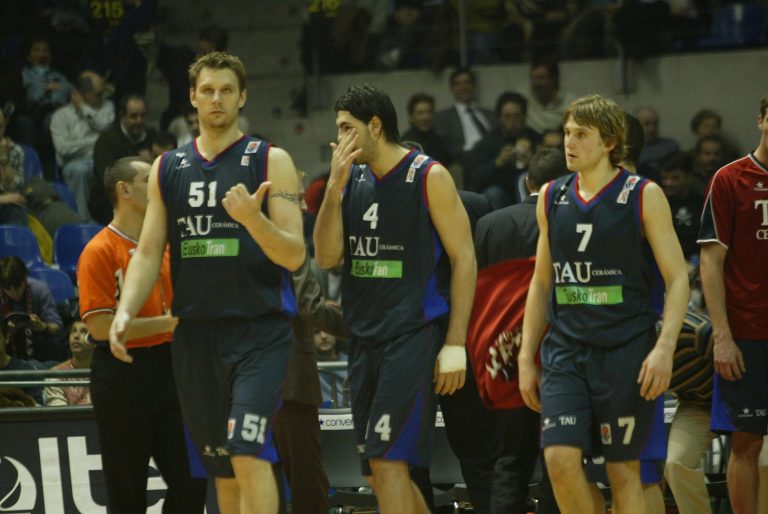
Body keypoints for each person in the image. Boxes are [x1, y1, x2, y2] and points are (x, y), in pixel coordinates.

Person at [109, 52, 305, 514]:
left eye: (227, 90)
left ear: (242, 97)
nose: (217, 99)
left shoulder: (270, 159)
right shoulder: (167, 167)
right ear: (192, 98)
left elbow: (295, 256)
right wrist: (125, 310)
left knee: (247, 453)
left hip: (259, 332)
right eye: (208, 90)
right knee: (222, 473)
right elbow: (150, 250)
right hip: (195, 335)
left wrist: (253, 223)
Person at [518, 94, 689, 514]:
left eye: (581, 134)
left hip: (625, 351)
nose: (569, 143)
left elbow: (678, 278)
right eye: (567, 133)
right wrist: (525, 356)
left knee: (623, 471)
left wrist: (664, 347)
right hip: (565, 352)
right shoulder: (551, 196)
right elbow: (542, 283)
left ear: (609, 142)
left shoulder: (642, 195)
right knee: (559, 460)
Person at [313, 83, 477, 514]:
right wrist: (333, 187)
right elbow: (328, 256)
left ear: (375, 125)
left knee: (388, 462)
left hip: (412, 335)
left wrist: (455, 342)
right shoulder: (350, 180)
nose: (340, 138)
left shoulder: (429, 175)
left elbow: (465, 259)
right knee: (376, 471)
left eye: (347, 128)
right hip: (363, 339)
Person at [78, 155, 206, 512]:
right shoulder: (99, 250)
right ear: (124, 190)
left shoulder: (167, 246)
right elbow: (101, 327)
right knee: (127, 491)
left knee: (193, 483)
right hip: (122, 374)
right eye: (149, 178)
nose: (158, 185)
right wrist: (165, 324)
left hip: (172, 371)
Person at [473, 148, 568, 514]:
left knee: (511, 460)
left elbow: (481, 295)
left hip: (507, 357)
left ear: (526, 183)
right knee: (560, 459)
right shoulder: (571, 219)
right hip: (562, 352)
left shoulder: (490, 224)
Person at [698, 96, 768, 514]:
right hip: (747, 334)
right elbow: (711, 260)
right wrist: (722, 337)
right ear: (761, 119)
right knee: (747, 441)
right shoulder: (729, 178)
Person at [50, 70, 114, 218]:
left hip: (101, 160)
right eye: (98, 94)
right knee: (80, 169)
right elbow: (63, 149)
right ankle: (81, 221)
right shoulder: (60, 116)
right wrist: (97, 140)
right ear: (81, 94)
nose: (102, 97)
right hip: (75, 164)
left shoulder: (107, 106)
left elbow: (105, 127)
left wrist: (85, 110)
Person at [463, 91, 540, 208]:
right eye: (507, 117)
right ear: (499, 118)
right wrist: (498, 163)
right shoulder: (488, 142)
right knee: (493, 193)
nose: (512, 122)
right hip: (501, 195)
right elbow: (473, 180)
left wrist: (532, 161)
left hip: (530, 193)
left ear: (524, 117)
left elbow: (552, 176)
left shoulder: (535, 138)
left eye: (516, 116)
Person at [91, 94, 158, 225]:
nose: (139, 121)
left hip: (147, 197)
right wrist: (140, 162)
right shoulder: (106, 141)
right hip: (110, 201)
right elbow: (108, 179)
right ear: (122, 115)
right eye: (133, 116)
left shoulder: (153, 136)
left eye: (143, 116)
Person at [0, 256, 64, 366]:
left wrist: (44, 327)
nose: (14, 293)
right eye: (8, 289)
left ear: (25, 278)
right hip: (7, 350)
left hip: (38, 345)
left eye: (17, 287)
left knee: (54, 341)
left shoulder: (39, 290)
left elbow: (57, 327)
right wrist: (5, 331)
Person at [435, 68, 494, 163]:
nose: (463, 88)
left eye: (467, 83)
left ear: (474, 86)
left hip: (495, 160)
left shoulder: (490, 114)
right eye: (458, 84)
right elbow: (448, 149)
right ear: (452, 88)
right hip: (466, 163)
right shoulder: (443, 118)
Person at [659, 152, 702, 262]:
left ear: (689, 177)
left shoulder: (702, 203)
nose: (668, 183)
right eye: (665, 178)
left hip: (698, 264)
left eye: (675, 178)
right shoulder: (658, 204)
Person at [44, 319, 93, 406]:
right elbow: (60, 414)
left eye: (84, 332)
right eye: (73, 331)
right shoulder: (55, 374)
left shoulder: (106, 373)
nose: (76, 336)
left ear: (96, 340)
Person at [401, 93, 452, 167]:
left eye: (429, 112)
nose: (425, 117)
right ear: (411, 117)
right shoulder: (407, 144)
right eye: (420, 113)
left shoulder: (440, 140)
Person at [525, 60, 576, 135]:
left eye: (541, 78)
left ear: (554, 79)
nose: (537, 83)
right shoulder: (526, 101)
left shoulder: (570, 103)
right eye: (534, 78)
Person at [635, 106, 680, 180]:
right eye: (647, 124)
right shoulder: (629, 149)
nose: (652, 128)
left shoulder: (671, 146)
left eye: (655, 124)